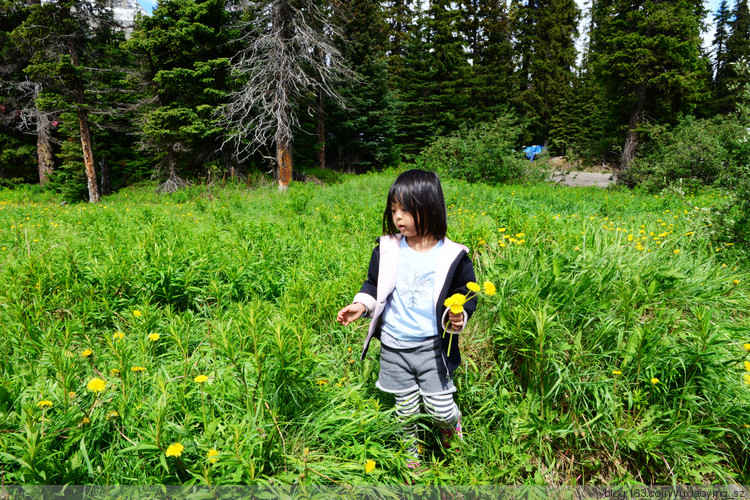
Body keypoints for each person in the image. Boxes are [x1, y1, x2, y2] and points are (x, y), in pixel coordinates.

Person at [336, 169, 477, 467]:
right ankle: (410, 454)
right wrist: (360, 306)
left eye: (406, 210)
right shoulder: (388, 248)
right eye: (394, 210)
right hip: (394, 346)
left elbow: (467, 292)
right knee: (406, 408)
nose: (398, 217)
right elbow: (373, 284)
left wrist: (460, 315)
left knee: (440, 407)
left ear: (430, 208)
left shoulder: (453, 255)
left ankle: (452, 428)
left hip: (432, 348)